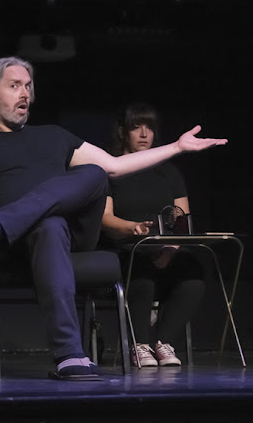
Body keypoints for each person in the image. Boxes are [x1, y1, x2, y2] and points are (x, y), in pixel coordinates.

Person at [0, 56, 226, 380]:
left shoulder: (53, 135)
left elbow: (115, 166)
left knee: (94, 172)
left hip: (71, 236)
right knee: (49, 225)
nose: (25, 93)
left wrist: (177, 147)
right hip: (17, 246)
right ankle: (70, 356)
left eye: (28, 86)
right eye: (14, 86)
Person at [100, 102, 206, 367]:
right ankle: (139, 345)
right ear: (123, 132)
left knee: (193, 272)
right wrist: (131, 227)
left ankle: (163, 343)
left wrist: (171, 249)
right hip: (127, 247)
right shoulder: (112, 170)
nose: (144, 134)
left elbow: (182, 219)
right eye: (136, 127)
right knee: (141, 270)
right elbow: (106, 218)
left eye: (149, 127)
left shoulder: (169, 172)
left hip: (163, 248)